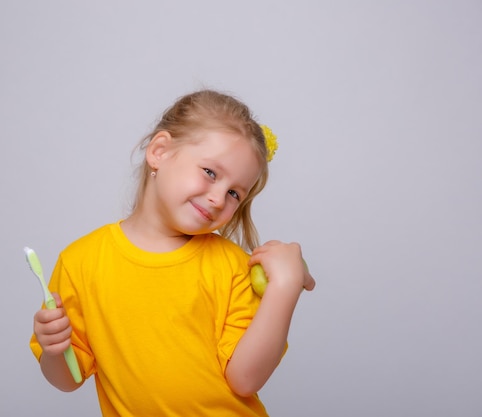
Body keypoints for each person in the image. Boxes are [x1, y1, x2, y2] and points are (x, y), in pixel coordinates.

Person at [30, 89, 316, 416]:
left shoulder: (232, 266)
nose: (219, 199)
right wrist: (54, 349)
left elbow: (246, 380)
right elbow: (70, 379)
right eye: (210, 173)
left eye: (235, 193)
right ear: (160, 151)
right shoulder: (81, 261)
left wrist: (284, 287)